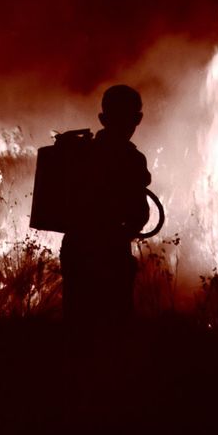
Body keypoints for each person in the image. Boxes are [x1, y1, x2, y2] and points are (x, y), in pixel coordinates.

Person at [60, 84, 151, 326]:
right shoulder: (132, 159)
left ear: (102, 118)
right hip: (112, 252)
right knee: (114, 324)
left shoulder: (79, 153)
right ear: (138, 119)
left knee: (77, 323)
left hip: (76, 249)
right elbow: (139, 214)